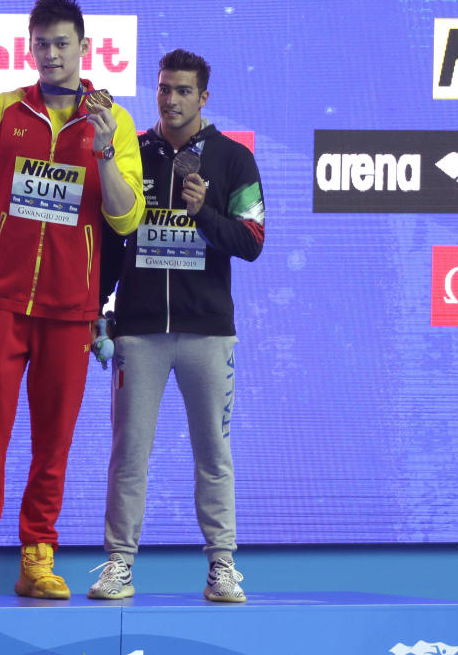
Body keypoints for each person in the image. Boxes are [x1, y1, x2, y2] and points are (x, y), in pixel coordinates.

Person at [0, 0, 145, 600]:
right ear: (30, 47)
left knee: (53, 443)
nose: (51, 54)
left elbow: (126, 218)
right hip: (0, 307)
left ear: (85, 48)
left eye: (62, 44)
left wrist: (104, 149)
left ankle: (38, 557)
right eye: (42, 44)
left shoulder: (115, 121)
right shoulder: (3, 111)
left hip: (71, 312)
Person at [88, 49, 265, 602]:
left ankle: (221, 566)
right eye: (165, 88)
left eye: (184, 90)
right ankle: (119, 563)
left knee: (213, 451)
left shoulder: (234, 159)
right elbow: (113, 240)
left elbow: (253, 242)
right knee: (129, 450)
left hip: (208, 332)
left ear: (204, 96)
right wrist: (98, 306)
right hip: (138, 330)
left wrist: (204, 214)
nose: (171, 99)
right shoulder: (133, 153)